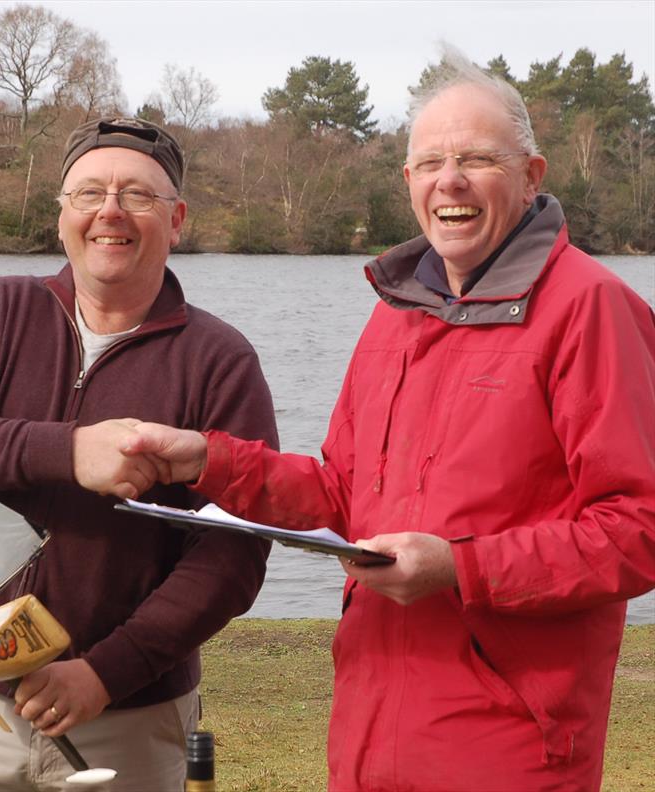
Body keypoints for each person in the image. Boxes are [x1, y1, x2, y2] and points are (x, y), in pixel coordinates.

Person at [115, 53, 655, 791]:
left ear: (533, 175)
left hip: (512, 747)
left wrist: (460, 569)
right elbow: (342, 499)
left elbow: (637, 529)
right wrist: (204, 461)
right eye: (430, 161)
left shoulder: (589, 308)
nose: (450, 180)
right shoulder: (395, 314)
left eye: (476, 159)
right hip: (369, 729)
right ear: (408, 185)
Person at [0, 117, 278, 792]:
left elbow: (234, 554)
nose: (111, 213)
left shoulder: (221, 361)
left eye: (138, 196)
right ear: (62, 215)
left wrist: (107, 671)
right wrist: (66, 451)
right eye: (89, 193)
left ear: (177, 219)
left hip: (131, 714)